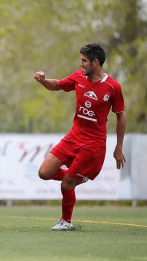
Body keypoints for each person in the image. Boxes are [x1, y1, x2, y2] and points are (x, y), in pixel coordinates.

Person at [34, 43, 126, 231]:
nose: (81, 64)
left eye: (84, 61)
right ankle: (76, 178)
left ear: (95, 62)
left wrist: (118, 148)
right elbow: (57, 85)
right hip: (73, 136)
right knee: (44, 173)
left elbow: (121, 116)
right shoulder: (78, 77)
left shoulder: (113, 87)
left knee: (66, 184)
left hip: (93, 144)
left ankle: (66, 221)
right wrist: (43, 80)